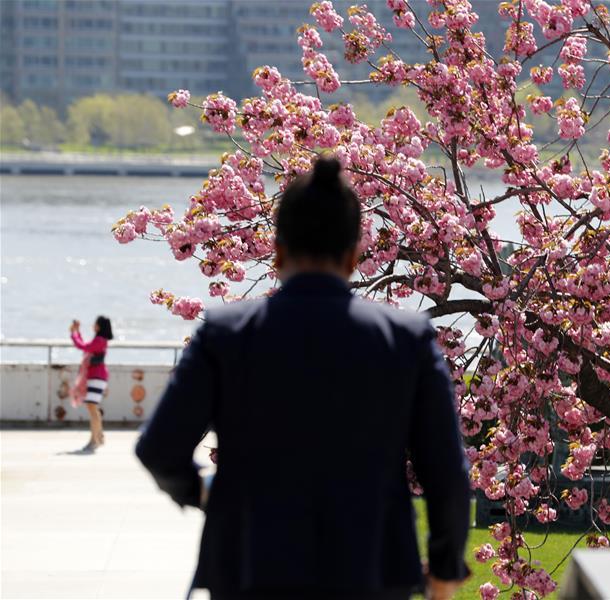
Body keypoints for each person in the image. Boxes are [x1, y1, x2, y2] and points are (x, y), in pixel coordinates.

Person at [136, 157, 471, 600]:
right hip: (372, 572)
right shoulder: (406, 340)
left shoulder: (226, 334)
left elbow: (159, 447)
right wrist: (445, 572)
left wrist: (202, 492)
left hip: (250, 569)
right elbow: (446, 473)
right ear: (354, 255)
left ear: (277, 251)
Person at [70, 316, 113, 452]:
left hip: (96, 377)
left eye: (95, 324)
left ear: (99, 326)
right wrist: (77, 332)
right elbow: (87, 347)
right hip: (96, 377)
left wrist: (74, 334)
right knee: (93, 409)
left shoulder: (99, 340)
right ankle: (98, 437)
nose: (93, 325)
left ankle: (94, 441)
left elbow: (83, 346)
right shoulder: (100, 340)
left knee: (92, 409)